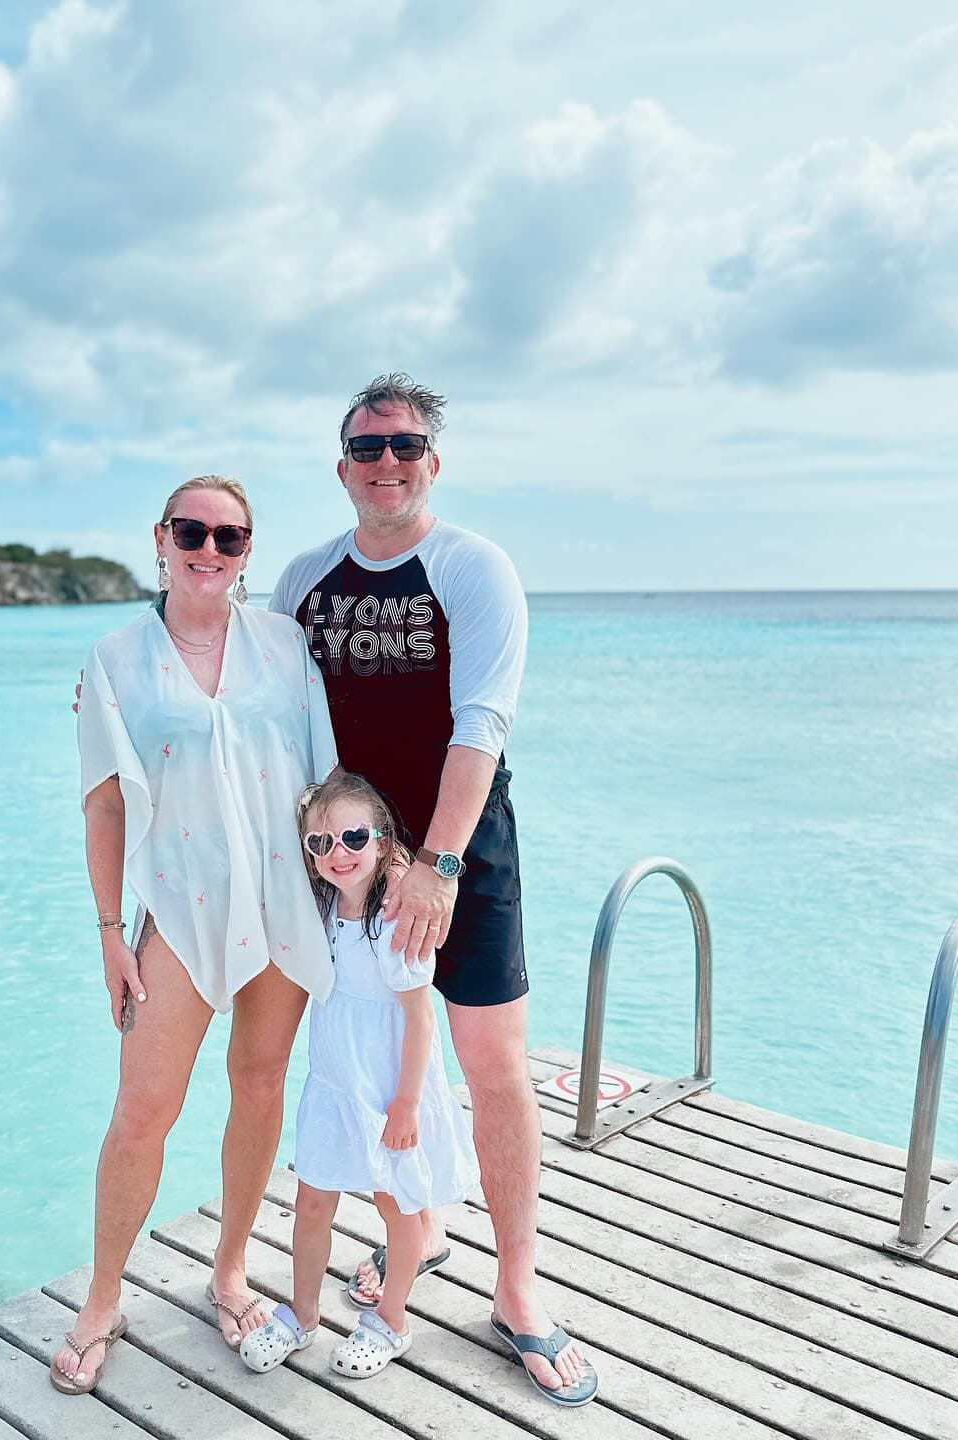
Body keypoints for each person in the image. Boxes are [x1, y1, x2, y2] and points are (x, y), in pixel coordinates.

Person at [269, 375, 598, 1406]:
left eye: (405, 445)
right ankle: (414, 1237)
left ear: (432, 463)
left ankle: (516, 1289)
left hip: (463, 852)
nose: (386, 462)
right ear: (342, 468)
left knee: (491, 1064)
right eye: (367, 447)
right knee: (364, 1060)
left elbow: (480, 725)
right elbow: (258, 700)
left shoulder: (472, 568)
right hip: (353, 862)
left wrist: (443, 864)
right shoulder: (305, 580)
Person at [51, 475, 338, 1395]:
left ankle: (228, 1270)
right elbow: (102, 806)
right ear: (161, 538)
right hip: (174, 910)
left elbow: (327, 776)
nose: (209, 550)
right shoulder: (115, 660)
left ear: (249, 551)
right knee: (143, 1113)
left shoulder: (287, 646)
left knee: (258, 1087)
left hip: (284, 898)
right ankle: (102, 1297)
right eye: (193, 532)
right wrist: (108, 933)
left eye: (230, 537)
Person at [238, 770, 478, 1379]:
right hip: (334, 1082)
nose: (336, 853)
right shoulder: (324, 909)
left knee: (396, 1207)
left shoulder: (395, 917)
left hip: (390, 1087)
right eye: (320, 843)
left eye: (351, 837)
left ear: (381, 837)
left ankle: (391, 1320)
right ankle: (303, 1313)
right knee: (312, 1200)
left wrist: (404, 1106)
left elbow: (419, 1020)